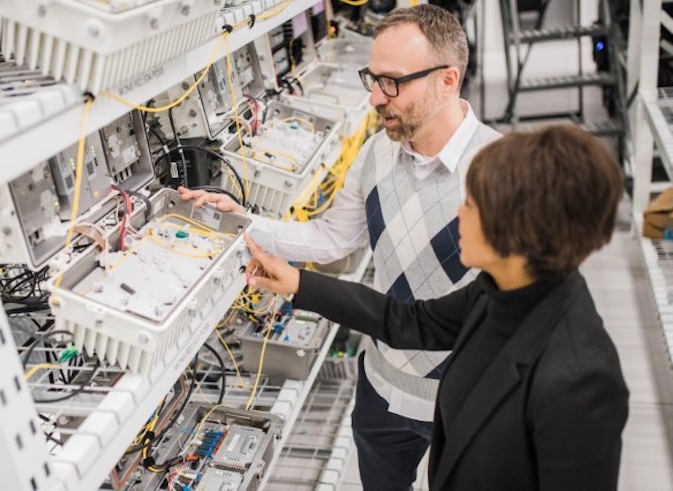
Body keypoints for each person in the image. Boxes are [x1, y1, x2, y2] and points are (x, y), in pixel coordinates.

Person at [179, 6, 500, 488]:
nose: (374, 97)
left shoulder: (498, 171)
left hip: (466, 399)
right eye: (372, 78)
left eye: (391, 82)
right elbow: (331, 238)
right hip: (381, 386)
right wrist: (242, 222)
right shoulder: (376, 155)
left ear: (448, 80)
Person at [243, 125, 630, 490]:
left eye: (472, 205)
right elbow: (409, 321)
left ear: (518, 229)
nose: (458, 213)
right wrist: (296, 283)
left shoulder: (579, 379)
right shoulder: (500, 289)